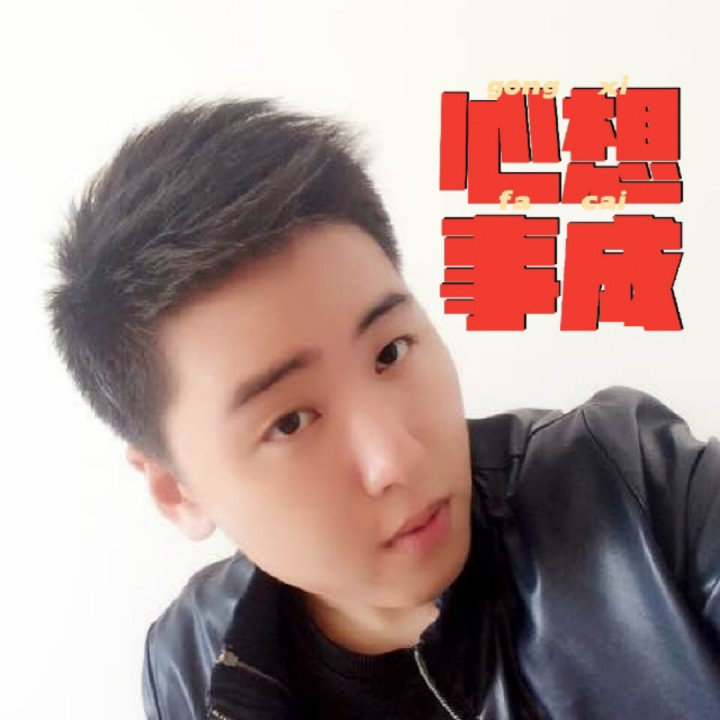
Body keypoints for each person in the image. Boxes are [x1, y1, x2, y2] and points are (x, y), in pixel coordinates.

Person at [46, 99, 720, 720]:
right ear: (176, 489)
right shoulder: (186, 665)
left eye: (390, 353)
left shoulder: (639, 496)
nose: (395, 458)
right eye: (290, 422)